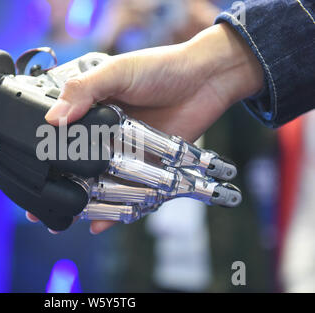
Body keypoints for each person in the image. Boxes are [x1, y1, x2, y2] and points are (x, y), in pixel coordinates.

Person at [27, 0, 315, 234]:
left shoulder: (219, 66)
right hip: (142, 264)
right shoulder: (124, 66)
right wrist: (108, 42)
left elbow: (257, 144)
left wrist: (224, 48)